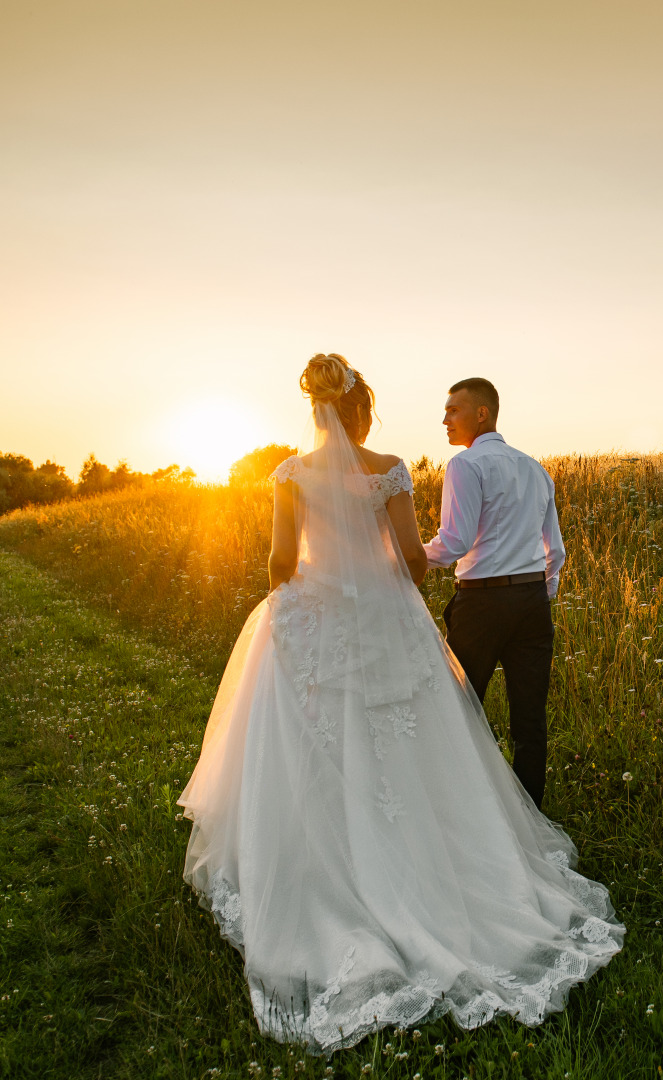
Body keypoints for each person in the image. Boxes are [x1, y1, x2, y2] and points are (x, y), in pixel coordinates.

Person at [179, 355, 623, 1056]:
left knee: (316, 740)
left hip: (317, 614)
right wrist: (385, 573)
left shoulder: (290, 474)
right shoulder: (389, 467)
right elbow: (415, 560)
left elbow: (280, 562)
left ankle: (321, 872)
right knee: (415, 737)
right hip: (389, 618)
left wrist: (306, 593)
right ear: (362, 409)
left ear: (317, 409)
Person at [424, 378, 565, 810]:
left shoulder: (465, 465)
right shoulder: (534, 467)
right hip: (531, 603)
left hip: (482, 603)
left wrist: (405, 556)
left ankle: (461, 811)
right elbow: (554, 550)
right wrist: (538, 593)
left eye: (453, 410)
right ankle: (530, 818)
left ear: (481, 413)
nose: (444, 419)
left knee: (460, 710)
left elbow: (454, 543)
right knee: (529, 719)